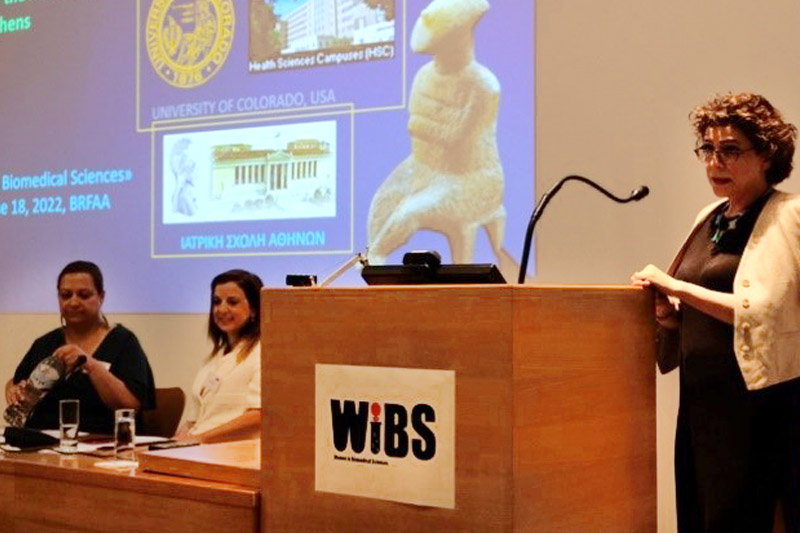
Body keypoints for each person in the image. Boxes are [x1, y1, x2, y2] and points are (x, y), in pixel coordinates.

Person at [632, 93, 800, 533]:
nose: (714, 162)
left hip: (755, 406)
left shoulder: (788, 214)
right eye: (707, 148)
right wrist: (672, 316)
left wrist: (677, 288)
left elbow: (766, 312)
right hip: (700, 401)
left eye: (730, 150)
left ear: (766, 155)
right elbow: (700, 305)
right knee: (698, 516)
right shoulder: (710, 215)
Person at [5, 261, 156, 434]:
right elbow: (16, 381)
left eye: (84, 295)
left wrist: (89, 364)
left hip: (103, 442)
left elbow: (130, 405)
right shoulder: (45, 343)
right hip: (43, 440)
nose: (74, 302)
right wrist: (13, 391)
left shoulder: (123, 342)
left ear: (101, 297)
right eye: (66, 295)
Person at [176, 269, 263, 443]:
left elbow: (259, 417)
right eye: (216, 302)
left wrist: (199, 439)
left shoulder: (262, 353)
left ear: (254, 309)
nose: (221, 309)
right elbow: (195, 420)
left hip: (233, 450)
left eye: (232, 302)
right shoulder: (214, 358)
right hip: (200, 449)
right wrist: (172, 444)